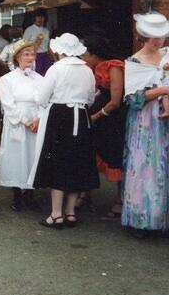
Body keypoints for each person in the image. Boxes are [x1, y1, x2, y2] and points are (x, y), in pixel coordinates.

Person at [28, 33, 99, 229]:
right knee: (76, 162)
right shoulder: (87, 70)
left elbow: (41, 98)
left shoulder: (56, 69)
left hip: (60, 117)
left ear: (59, 51)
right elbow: (91, 99)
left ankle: (56, 214)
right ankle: (70, 212)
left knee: (58, 163)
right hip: (82, 117)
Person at [121, 12, 169, 238]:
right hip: (147, 122)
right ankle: (142, 219)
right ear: (144, 37)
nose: (159, 41)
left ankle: (163, 219)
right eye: (153, 37)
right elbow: (133, 99)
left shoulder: (167, 55)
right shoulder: (134, 62)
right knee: (146, 167)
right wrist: (161, 91)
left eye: (161, 37)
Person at [80, 36, 126, 217]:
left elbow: (115, 101)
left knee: (114, 154)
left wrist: (96, 116)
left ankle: (119, 199)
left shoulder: (113, 66)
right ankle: (86, 193)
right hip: (95, 114)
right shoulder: (89, 68)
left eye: (85, 54)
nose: (83, 57)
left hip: (111, 117)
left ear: (94, 53)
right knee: (90, 152)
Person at [0, 40, 43, 211]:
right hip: (18, 121)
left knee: (32, 155)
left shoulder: (40, 78)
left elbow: (44, 100)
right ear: (17, 57)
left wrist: (38, 119)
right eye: (26, 54)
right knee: (17, 156)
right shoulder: (7, 79)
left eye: (32, 54)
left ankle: (30, 194)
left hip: (36, 120)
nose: (30, 57)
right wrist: (25, 121)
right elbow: (8, 104)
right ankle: (17, 195)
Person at [23, 8, 53, 75]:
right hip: (34, 56)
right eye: (38, 17)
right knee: (36, 75)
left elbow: (48, 46)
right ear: (34, 18)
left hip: (45, 56)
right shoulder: (29, 30)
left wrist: (55, 58)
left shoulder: (46, 31)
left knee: (48, 74)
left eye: (42, 17)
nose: (40, 19)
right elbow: (24, 46)